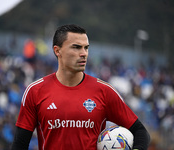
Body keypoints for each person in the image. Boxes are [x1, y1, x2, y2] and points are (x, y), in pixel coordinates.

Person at [11, 24, 150, 150]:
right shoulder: (35, 91)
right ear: (57, 51)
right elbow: (19, 145)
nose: (84, 53)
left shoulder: (104, 91)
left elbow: (140, 132)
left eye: (86, 48)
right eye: (76, 47)